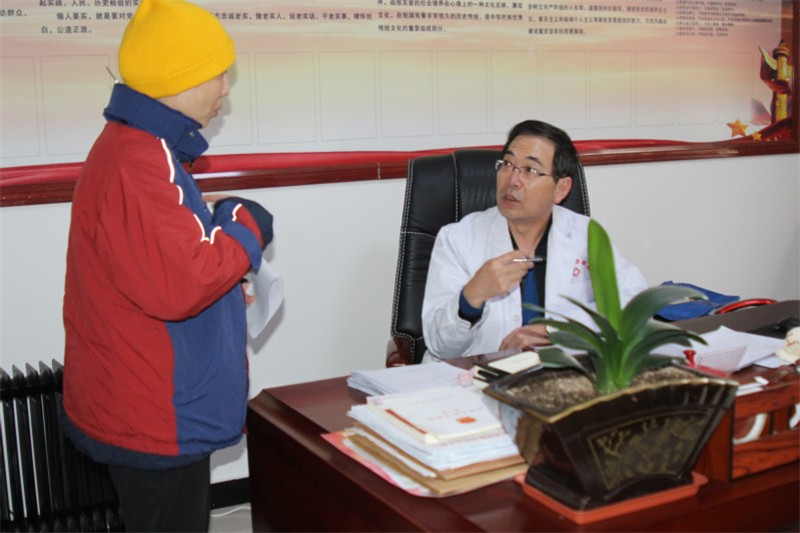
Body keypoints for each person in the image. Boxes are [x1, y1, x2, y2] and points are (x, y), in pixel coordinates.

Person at [61, 1, 273, 530]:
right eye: (217, 75)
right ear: (178, 81)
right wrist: (247, 225)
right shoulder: (140, 159)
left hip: (148, 403)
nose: (224, 89)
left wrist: (224, 284)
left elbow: (159, 268)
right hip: (153, 413)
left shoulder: (139, 149)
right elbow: (183, 284)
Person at [421, 120, 647, 361]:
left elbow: (634, 304)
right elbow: (439, 346)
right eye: (507, 164)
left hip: (562, 373)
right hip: (476, 376)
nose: (512, 180)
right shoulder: (457, 239)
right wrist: (471, 297)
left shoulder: (586, 235)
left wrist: (556, 331)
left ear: (561, 189)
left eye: (530, 170)